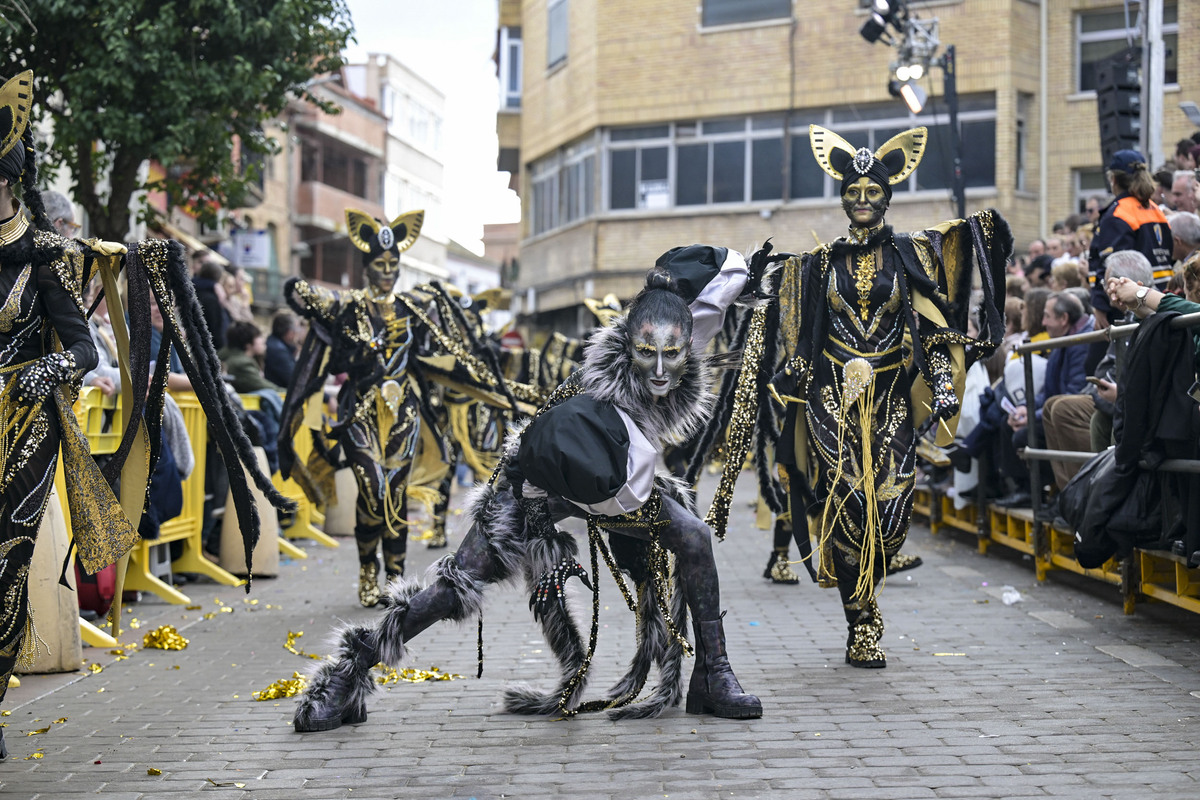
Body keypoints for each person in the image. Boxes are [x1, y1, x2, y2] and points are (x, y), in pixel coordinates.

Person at [293, 246, 763, 731]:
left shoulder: (675, 334)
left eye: (673, 354)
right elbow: (549, 458)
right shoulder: (601, 384)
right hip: (538, 479)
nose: (661, 370)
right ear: (627, 345)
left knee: (693, 536)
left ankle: (713, 674)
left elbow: (707, 296)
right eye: (647, 353)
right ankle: (349, 669)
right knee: (456, 586)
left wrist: (750, 276)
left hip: (620, 475)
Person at [0, 71, 288, 760]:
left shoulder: (42, 252)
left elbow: (77, 345)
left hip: (27, 421)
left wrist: (47, 371)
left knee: (5, 563)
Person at [766, 125, 1010, 668]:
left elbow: (936, 325)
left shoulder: (908, 254)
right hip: (834, 396)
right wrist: (797, 371)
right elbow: (803, 329)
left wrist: (943, 383)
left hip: (892, 394)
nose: (861, 201)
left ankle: (872, 585)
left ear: (887, 195)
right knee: (848, 502)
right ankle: (862, 619)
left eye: (872, 191)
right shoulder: (821, 262)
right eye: (852, 192)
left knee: (894, 508)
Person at [279, 208, 519, 607]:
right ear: (366, 265)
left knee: (394, 490)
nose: (387, 271)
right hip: (360, 412)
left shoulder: (413, 311)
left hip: (404, 415)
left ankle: (394, 575)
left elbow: (443, 353)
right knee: (372, 490)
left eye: (393, 264)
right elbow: (306, 300)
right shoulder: (349, 307)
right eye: (379, 264)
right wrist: (302, 292)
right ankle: (367, 570)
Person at [1088, 150, 1173, 325]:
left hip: (1130, 306)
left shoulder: (1118, 213)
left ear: (1113, 179)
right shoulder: (1156, 209)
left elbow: (1113, 265)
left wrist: (1100, 305)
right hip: (1162, 298)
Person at [264, 310, 300, 387]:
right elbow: (296, 382)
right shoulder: (278, 351)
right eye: (296, 329)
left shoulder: (274, 343)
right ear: (289, 332)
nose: (298, 332)